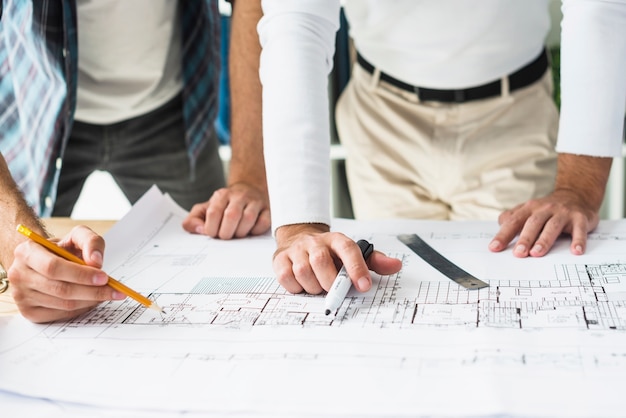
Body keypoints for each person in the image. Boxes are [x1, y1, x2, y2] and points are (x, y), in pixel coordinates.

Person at [255, 0, 559, 295]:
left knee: (505, 285)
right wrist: (299, 225)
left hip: (513, 119)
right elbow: (297, 21)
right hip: (384, 120)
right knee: (399, 287)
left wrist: (582, 185)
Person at [1, 0, 269, 323]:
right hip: (37, 108)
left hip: (174, 111)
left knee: (224, 242)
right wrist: (16, 244)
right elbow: (21, 251)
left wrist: (249, 178)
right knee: (33, 273)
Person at [489, 0, 626, 258]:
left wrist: (576, 190)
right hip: (389, 112)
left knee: (521, 256)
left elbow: (596, 6)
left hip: (514, 110)